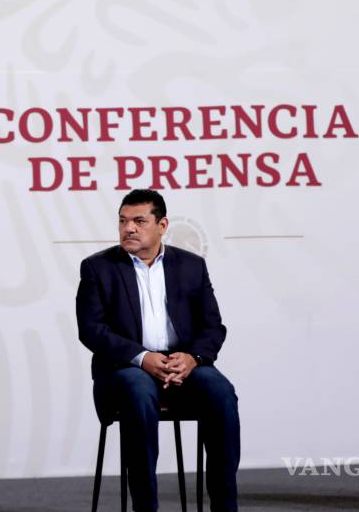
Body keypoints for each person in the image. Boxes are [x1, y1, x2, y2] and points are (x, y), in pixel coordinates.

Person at [76, 188, 240, 512]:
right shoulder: (97, 267)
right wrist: (142, 358)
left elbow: (213, 326)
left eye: (139, 221)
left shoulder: (191, 266)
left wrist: (192, 358)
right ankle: (145, 507)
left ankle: (225, 506)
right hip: (123, 370)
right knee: (138, 390)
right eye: (123, 221)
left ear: (162, 225)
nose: (128, 228)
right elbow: (91, 330)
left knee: (221, 393)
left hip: (181, 367)